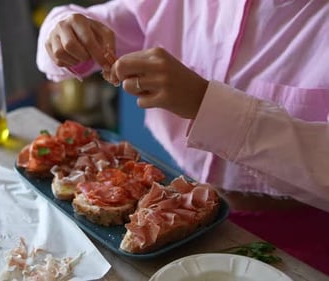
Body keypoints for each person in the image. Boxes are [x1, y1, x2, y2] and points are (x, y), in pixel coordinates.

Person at [35, 0, 329, 275]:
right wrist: (64, 28)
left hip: (301, 243)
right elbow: (106, 19)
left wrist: (205, 102)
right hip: (170, 208)